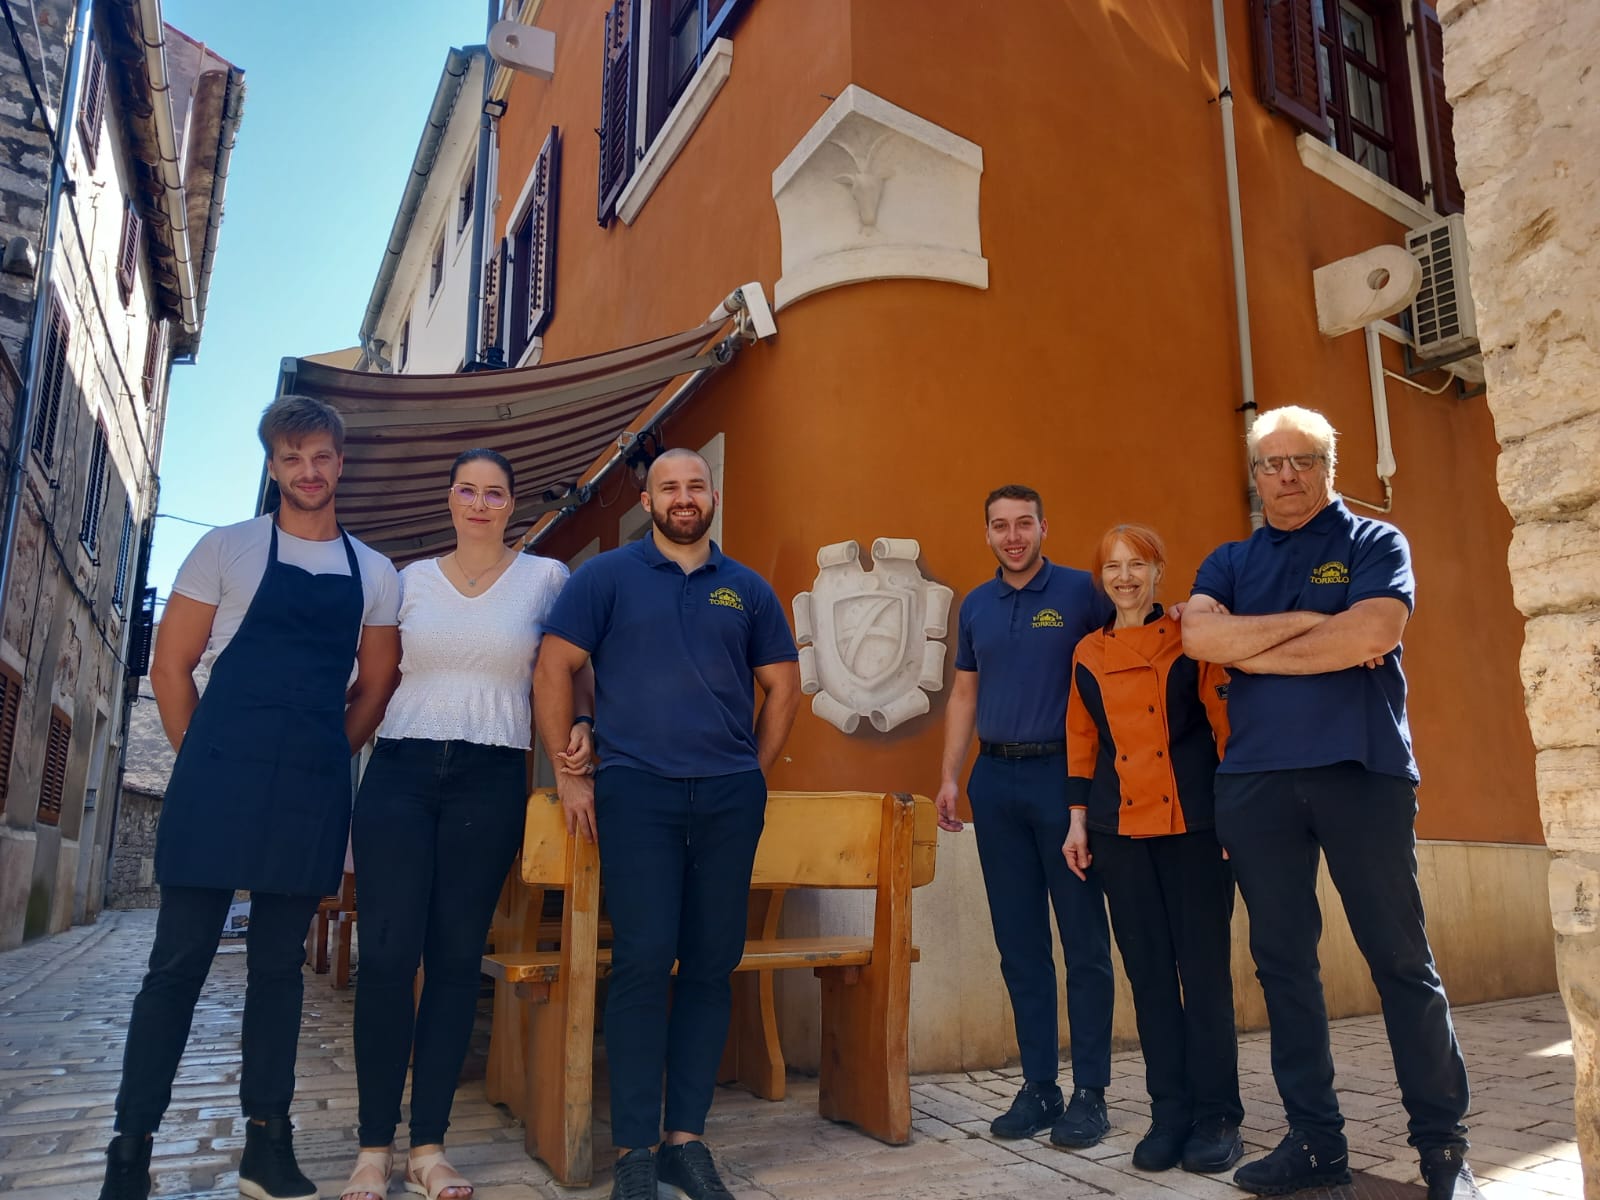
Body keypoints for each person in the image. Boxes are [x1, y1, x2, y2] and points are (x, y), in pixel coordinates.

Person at [100, 395, 401, 1200]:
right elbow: (171, 668)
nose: (309, 470)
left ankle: (268, 1148)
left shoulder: (374, 573)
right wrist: (207, 758)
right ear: (274, 467)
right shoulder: (226, 549)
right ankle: (129, 1152)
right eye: (292, 457)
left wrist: (321, 755)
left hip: (310, 787)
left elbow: (375, 689)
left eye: (322, 457)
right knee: (177, 967)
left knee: (277, 972)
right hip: (217, 777)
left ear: (341, 465)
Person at [1181, 406, 1476, 1200]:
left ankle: (1444, 1153)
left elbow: (1369, 635)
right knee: (1283, 969)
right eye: (1271, 464)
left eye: (1302, 461)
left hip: (1363, 771)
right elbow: (1202, 642)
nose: (1286, 477)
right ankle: (1316, 1144)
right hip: (1253, 784)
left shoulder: (1376, 543)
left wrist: (1261, 644)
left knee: (1401, 962)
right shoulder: (1228, 560)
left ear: (1329, 466)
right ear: (1254, 476)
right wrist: (1313, 627)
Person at [532, 447, 801, 1200]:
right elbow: (555, 666)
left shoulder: (746, 589)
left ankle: (688, 1140)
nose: (683, 498)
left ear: (713, 495)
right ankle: (634, 1152)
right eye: (668, 489)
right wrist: (567, 770)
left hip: (727, 797)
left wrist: (753, 765)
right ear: (647, 503)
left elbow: (783, 686)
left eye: (695, 486)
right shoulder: (605, 578)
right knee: (646, 961)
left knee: (712, 964)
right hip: (637, 793)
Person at [338, 449, 594, 1200]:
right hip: (400, 774)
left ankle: (429, 1148)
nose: (480, 504)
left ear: (511, 504)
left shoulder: (548, 579)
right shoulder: (406, 580)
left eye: (494, 493)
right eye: (467, 490)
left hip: (490, 776)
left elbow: (574, 668)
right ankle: (370, 1150)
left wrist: (582, 723)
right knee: (386, 960)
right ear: (449, 499)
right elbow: (374, 679)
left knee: (454, 965)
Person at [935, 484, 1117, 1149]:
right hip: (996, 780)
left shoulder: (1079, 593)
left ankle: (1091, 1092)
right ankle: (1040, 1085)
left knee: (1084, 943)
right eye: (1000, 526)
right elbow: (963, 692)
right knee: (1019, 945)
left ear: (1044, 526)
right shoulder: (977, 606)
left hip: (1063, 782)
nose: (1013, 536)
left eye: (1023, 524)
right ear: (986, 534)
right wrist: (950, 777)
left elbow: (1119, 663)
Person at [1061, 523, 1243, 1175]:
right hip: (1120, 834)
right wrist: (1078, 822)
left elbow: (1225, 727)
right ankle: (1169, 1112)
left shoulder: (1192, 640)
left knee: (1204, 975)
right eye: (1112, 566)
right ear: (1100, 579)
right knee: (1149, 979)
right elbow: (1082, 740)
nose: (1125, 576)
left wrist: (1233, 818)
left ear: (1159, 571)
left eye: (1137, 564)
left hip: (1196, 827)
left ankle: (1219, 1114)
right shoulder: (1087, 653)